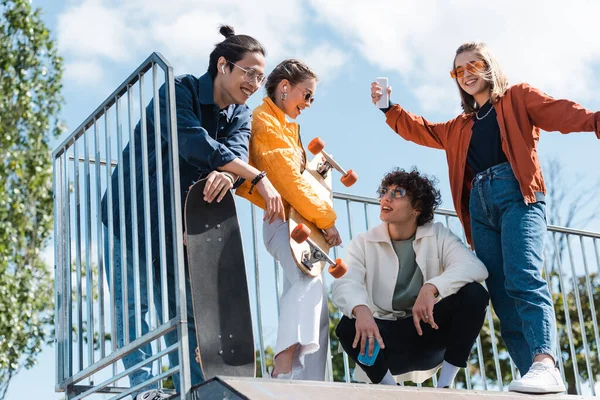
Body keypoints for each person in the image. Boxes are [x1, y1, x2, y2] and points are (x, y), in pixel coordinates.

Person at [370, 41, 600, 393]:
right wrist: (388, 107)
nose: (466, 74)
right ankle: (535, 377)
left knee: (523, 277)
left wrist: (595, 121)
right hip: (479, 208)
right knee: (501, 294)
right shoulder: (459, 126)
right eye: (458, 71)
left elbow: (559, 113)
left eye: (472, 65)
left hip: (517, 196)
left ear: (489, 66)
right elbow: (423, 129)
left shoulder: (517, 98)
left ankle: (545, 362)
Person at [100, 25, 284, 399]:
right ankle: (144, 390)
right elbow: (191, 143)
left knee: (186, 311)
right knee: (133, 308)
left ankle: (198, 390)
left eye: (261, 76)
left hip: (179, 224)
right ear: (223, 65)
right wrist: (254, 177)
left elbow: (235, 150)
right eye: (249, 72)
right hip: (130, 212)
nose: (255, 82)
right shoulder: (178, 90)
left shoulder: (240, 115)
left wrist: (227, 175)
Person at [331, 168, 489, 388]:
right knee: (348, 324)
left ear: (417, 208)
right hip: (384, 343)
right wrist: (361, 309)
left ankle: (445, 386)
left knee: (475, 294)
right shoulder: (363, 242)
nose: (386, 197)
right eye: (385, 192)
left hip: (429, 335)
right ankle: (390, 390)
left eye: (397, 193)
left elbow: (475, 267)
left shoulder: (438, 234)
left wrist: (432, 287)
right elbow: (343, 284)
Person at [236, 59, 342, 381]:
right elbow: (285, 180)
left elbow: (299, 178)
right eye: (306, 95)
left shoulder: (286, 126)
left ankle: (310, 384)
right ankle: (281, 368)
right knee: (307, 282)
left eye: (312, 98)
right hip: (284, 221)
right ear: (284, 87)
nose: (308, 104)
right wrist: (326, 217)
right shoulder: (265, 121)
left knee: (315, 300)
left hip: (299, 221)